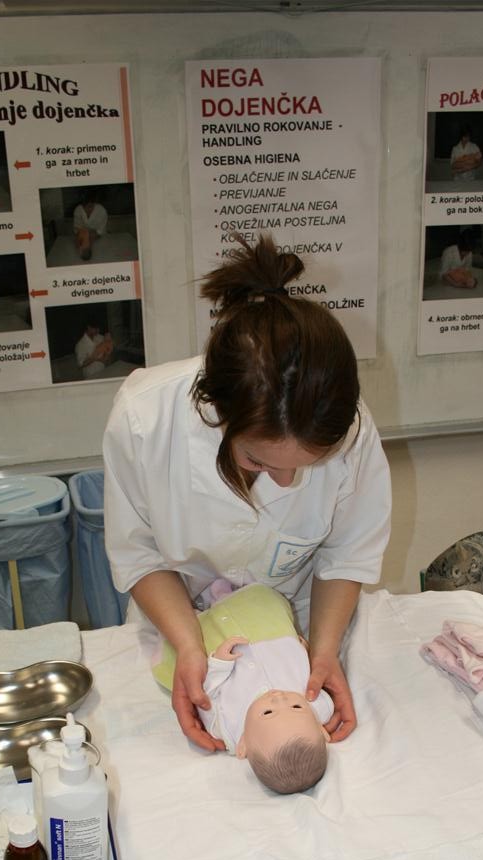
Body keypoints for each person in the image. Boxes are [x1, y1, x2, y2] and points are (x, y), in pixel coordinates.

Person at [103, 233, 392, 753]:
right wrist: (190, 646)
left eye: (308, 465)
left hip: (297, 623)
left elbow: (346, 554)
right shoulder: (145, 419)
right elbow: (140, 554)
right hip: (179, 620)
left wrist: (323, 652)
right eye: (258, 461)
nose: (286, 482)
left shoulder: (352, 429)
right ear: (216, 410)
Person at [153, 582, 332, 793]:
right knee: (259, 604)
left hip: (218, 644)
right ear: (321, 731)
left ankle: (201, 606)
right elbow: (309, 673)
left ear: (243, 745)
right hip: (267, 636)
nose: (279, 698)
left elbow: (207, 694)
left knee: (192, 628)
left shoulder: (226, 727)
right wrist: (303, 650)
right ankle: (224, 594)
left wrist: (220, 663)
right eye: (296, 707)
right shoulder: (320, 709)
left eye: (268, 712)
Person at [73, 194, 109, 260]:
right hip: (83, 237)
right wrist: (80, 241)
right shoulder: (78, 210)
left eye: (90, 206)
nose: (88, 210)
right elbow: (77, 229)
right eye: (85, 207)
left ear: (94, 204)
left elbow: (100, 231)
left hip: (100, 238)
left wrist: (89, 241)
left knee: (102, 258)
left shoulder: (102, 211)